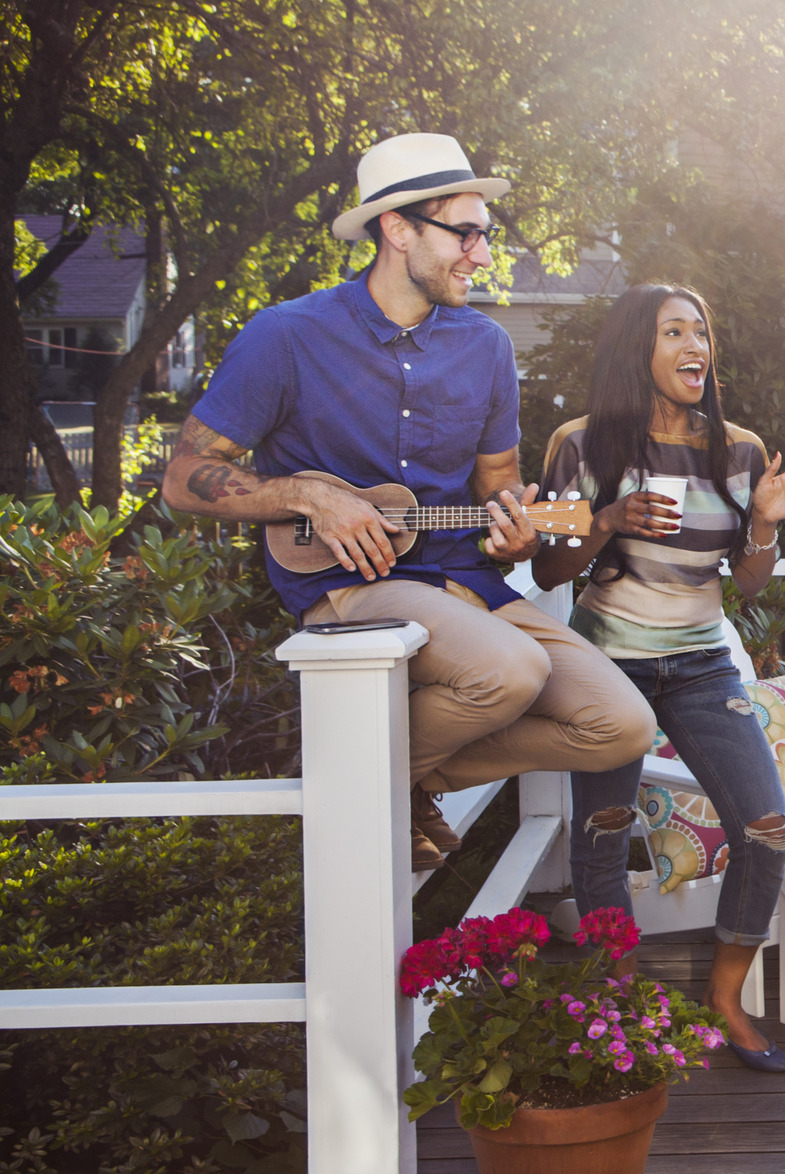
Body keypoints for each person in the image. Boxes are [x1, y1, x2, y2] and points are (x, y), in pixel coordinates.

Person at [164, 133, 655, 870]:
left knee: (620, 725)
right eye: (465, 233)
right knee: (513, 670)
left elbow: (497, 485)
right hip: (346, 581)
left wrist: (516, 531)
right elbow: (182, 476)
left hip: (467, 581)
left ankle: (397, 779)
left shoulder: (485, 346)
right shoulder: (286, 336)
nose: (481, 256)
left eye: (482, 236)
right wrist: (302, 493)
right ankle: (382, 779)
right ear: (396, 229)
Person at [535, 284, 785, 1074]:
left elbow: (750, 586)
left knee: (767, 830)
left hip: (702, 663)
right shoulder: (582, 444)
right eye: (674, 331)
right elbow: (545, 562)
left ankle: (723, 998)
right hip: (606, 663)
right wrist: (606, 521)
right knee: (601, 841)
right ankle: (617, 1004)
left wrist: (764, 523)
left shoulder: (734, 449)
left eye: (701, 330)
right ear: (640, 348)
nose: (694, 344)